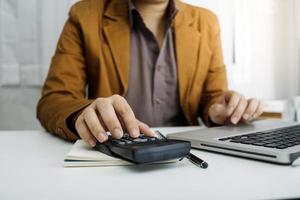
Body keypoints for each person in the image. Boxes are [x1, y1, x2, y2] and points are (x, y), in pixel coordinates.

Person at [37, 0, 264, 147]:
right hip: (114, 154)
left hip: (186, 156)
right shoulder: (84, 15)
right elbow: (53, 100)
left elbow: (211, 97)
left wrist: (218, 111)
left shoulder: (206, 22)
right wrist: (82, 115)